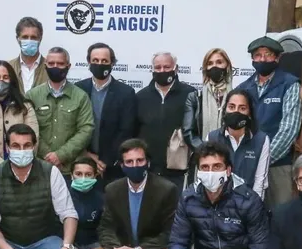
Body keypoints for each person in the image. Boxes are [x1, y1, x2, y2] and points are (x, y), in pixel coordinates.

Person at [81, 139, 180, 249]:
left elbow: (170, 233)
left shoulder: (166, 189)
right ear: (121, 165)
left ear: (147, 162)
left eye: (139, 161)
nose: (135, 166)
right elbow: (106, 227)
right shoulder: (113, 189)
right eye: (129, 162)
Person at [239, 36, 301, 206]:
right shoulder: (243, 88)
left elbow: (289, 130)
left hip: (278, 165)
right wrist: (248, 161)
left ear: (277, 58)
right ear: (252, 59)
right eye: (258, 55)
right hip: (247, 167)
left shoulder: (290, 84)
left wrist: (263, 160)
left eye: (268, 55)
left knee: (281, 216)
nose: (263, 59)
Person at [25, 47, 94, 174]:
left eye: (60, 64)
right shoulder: (32, 96)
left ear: (68, 66)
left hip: (70, 169)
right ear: (45, 65)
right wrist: (48, 155)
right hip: (39, 168)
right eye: (51, 63)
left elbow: (86, 129)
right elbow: (28, 129)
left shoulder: (81, 96)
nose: (55, 67)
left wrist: (61, 155)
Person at [76, 43, 137, 183]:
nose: (100, 64)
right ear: (89, 62)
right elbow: (73, 125)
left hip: (113, 166)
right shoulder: (78, 89)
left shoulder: (126, 93)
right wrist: (88, 155)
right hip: (83, 162)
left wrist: (104, 161)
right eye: (95, 60)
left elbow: (126, 130)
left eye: (104, 61)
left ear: (112, 63)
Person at [136, 51, 196, 188]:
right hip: (149, 170)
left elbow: (195, 130)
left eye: (167, 67)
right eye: (158, 67)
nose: (162, 71)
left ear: (176, 69)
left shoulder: (190, 94)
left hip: (180, 171)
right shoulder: (140, 97)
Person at [206, 88, 270, 198]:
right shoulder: (212, 138)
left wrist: (253, 209)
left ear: (249, 113)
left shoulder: (261, 140)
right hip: (218, 203)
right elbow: (207, 179)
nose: (236, 111)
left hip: (248, 203)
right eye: (231, 107)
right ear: (225, 109)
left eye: (242, 108)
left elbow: (259, 182)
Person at [61, 156, 105, 249]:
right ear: (71, 175)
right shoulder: (62, 195)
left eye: (88, 174)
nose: (83, 178)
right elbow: (54, 225)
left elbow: (103, 227)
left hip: (91, 241)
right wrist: (71, 247)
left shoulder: (101, 198)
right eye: (78, 174)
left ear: (95, 176)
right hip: (65, 240)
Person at [183, 48, 233, 151]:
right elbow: (188, 132)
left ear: (227, 66)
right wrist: (205, 151)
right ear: (206, 68)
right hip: (203, 156)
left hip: (230, 156)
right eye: (210, 63)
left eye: (219, 62)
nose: (214, 66)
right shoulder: (195, 97)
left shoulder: (236, 96)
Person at [8, 16, 48, 92]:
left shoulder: (50, 68)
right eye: (25, 37)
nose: (29, 41)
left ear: (40, 39)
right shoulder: (8, 68)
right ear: (18, 39)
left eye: (33, 37)